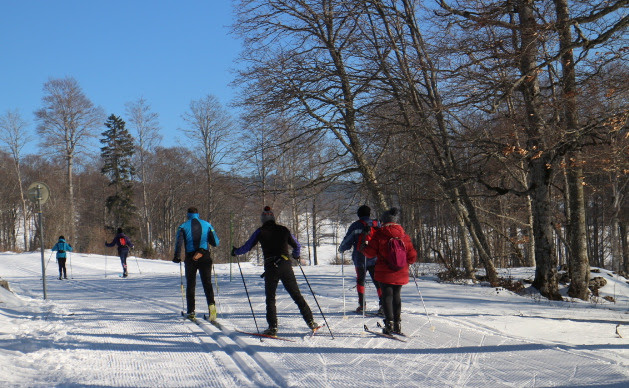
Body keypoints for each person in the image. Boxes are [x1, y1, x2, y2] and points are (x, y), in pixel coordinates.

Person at [231, 206, 318, 336]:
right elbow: (297, 245)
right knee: (296, 294)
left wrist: (235, 251)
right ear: (274, 218)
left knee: (270, 298)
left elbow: (247, 247)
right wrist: (296, 255)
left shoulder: (260, 231)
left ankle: (273, 328)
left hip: (271, 267)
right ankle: (311, 322)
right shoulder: (284, 230)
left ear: (263, 220)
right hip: (285, 265)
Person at [360, 207, 417, 335]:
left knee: (387, 296)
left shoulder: (380, 234)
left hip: (384, 272)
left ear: (384, 221)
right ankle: (398, 324)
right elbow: (412, 257)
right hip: (401, 271)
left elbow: (370, 253)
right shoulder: (404, 236)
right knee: (397, 296)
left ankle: (389, 324)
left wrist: (364, 247)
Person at [173, 207, 220, 321]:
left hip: (190, 258)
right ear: (198, 214)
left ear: (188, 215)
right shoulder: (207, 225)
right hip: (205, 256)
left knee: (191, 284)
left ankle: (191, 311)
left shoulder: (183, 226)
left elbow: (178, 243)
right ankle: (212, 309)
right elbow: (216, 243)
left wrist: (177, 256)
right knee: (207, 283)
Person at [338, 205, 383, 314]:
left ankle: (362, 305)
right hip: (375, 258)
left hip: (360, 259)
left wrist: (341, 249)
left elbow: (347, 241)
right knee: (378, 282)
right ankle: (383, 305)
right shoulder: (377, 225)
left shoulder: (355, 226)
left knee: (360, 281)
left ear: (359, 214)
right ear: (369, 213)